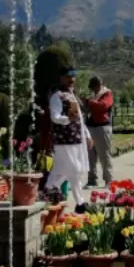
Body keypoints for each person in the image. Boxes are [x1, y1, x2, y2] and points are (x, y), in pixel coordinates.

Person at [43, 65, 90, 210]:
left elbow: (80, 119)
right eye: (68, 76)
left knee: (62, 170)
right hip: (65, 140)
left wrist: (87, 135)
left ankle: (48, 189)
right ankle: (80, 203)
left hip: (76, 139)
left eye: (73, 76)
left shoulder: (72, 95)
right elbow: (55, 117)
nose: (71, 79)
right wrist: (67, 119)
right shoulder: (57, 96)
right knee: (74, 170)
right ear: (62, 78)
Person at [84, 75, 114, 189]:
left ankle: (108, 180)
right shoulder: (94, 95)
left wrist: (90, 102)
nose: (93, 89)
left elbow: (103, 106)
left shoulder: (107, 94)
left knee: (105, 155)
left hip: (103, 127)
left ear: (99, 85)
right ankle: (92, 180)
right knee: (90, 156)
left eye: (94, 87)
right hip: (91, 127)